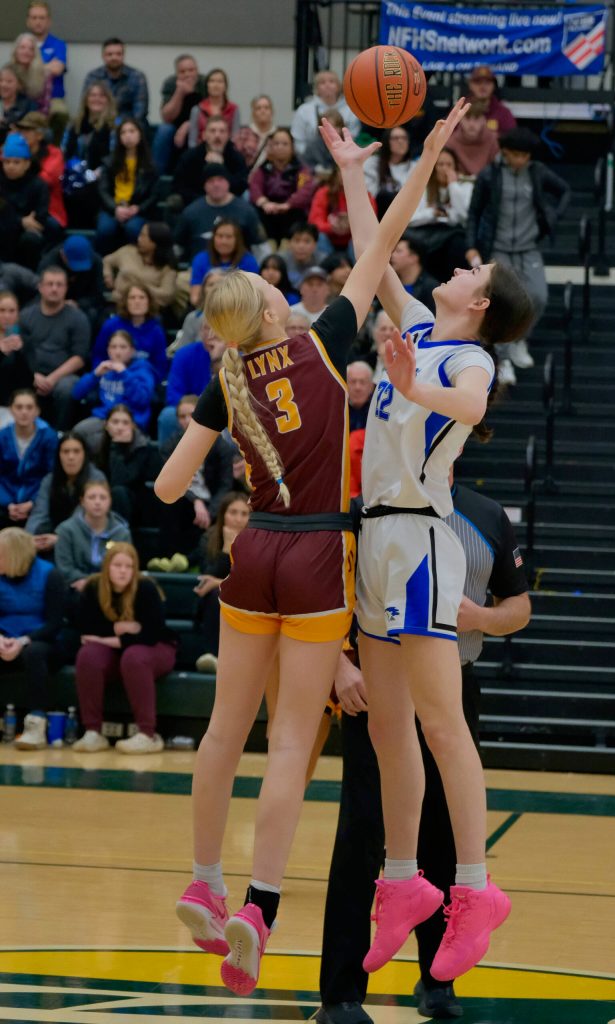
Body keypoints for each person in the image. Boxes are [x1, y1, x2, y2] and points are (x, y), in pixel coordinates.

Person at [154, 99, 469, 995]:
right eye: (269, 284)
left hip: (252, 548)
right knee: (291, 744)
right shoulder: (326, 342)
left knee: (224, 730)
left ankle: (204, 882)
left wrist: (213, 434)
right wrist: (405, 156)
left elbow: (171, 488)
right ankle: (258, 906)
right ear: (271, 308)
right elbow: (391, 233)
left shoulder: (227, 374)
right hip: (318, 554)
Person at [320, 116, 534, 983]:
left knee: (443, 726)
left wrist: (418, 385)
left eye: (472, 270)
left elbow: (476, 408)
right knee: (386, 728)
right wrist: (347, 172)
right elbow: (375, 253)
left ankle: (475, 889)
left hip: (420, 540)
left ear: (478, 303)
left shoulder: (472, 360)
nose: (458, 265)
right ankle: (404, 881)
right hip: (374, 539)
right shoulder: (422, 320)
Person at [317, 480, 530, 1024]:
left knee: (444, 834)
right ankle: (341, 993)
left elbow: (519, 605)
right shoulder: (366, 512)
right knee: (362, 833)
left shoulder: (485, 515)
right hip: (377, 689)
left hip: (454, 686)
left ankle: (439, 982)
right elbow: (329, 597)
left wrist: (480, 618)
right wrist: (339, 667)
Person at [465, 127, 571, 385]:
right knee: (502, 302)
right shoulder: (490, 175)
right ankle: (503, 358)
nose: (522, 160)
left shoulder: (536, 173)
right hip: (499, 247)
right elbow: (474, 213)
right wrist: (472, 245)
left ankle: (519, 339)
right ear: (504, 152)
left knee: (539, 295)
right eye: (517, 155)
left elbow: (565, 190)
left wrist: (552, 216)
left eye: (526, 156)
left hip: (528, 246)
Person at [72, 542, 176, 754]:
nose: (123, 571)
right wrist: (119, 630)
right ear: (107, 566)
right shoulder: (93, 588)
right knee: (88, 655)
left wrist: (106, 637)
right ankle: (93, 732)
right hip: (119, 652)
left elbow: (149, 635)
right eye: (117, 565)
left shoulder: (146, 588)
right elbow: (85, 629)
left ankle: (147, 734)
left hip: (159, 648)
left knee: (134, 656)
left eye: (129, 566)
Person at [0, 525, 68, 750]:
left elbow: (54, 623)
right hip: (5, 640)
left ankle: (36, 724)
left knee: (35, 652)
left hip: (43, 643)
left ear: (14, 555)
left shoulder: (51, 575)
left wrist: (21, 642)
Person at [156, 394, 240, 560]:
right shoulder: (169, 447)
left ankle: (202, 562)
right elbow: (168, 482)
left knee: (228, 508)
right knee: (168, 503)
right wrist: (195, 500)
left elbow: (225, 485)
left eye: (192, 415)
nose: (187, 420)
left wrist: (210, 510)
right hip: (185, 501)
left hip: (212, 503)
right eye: (182, 416)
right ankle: (169, 560)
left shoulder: (221, 447)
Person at [19, 265, 90, 429]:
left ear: (66, 288)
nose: (54, 289)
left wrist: (51, 379)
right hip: (31, 372)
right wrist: (33, 375)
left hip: (62, 376)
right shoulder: (25, 315)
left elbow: (79, 357)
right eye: (50, 284)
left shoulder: (78, 318)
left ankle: (60, 433)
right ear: (40, 287)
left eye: (59, 285)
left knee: (67, 388)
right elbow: (21, 351)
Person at [193, 491, 251, 672]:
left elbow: (253, 582)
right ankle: (211, 656)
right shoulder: (209, 538)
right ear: (223, 514)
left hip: (248, 601)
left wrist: (219, 582)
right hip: (214, 602)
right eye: (233, 512)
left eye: (244, 514)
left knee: (219, 590)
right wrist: (227, 546)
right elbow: (207, 576)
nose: (238, 519)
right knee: (214, 594)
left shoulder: (259, 542)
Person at [72, 328, 156, 448]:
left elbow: (142, 399)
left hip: (132, 421)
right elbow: (76, 394)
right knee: (79, 432)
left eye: (123, 347)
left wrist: (124, 373)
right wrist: (95, 375)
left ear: (132, 351)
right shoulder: (104, 368)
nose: (117, 352)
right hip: (104, 418)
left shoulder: (143, 370)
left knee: (109, 443)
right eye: (113, 347)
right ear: (108, 350)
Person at [25, 431, 107, 554]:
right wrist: (28, 539)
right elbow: (39, 514)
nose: (71, 457)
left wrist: (60, 539)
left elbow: (82, 518)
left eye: (76, 451)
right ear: (59, 455)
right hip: (52, 536)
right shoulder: (49, 480)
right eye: (66, 452)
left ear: (85, 455)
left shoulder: (96, 479)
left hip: (84, 540)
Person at [157, 316, 227, 444]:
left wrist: (218, 361)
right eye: (206, 328)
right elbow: (173, 395)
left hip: (225, 412)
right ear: (200, 332)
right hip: (191, 411)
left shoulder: (237, 355)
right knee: (168, 416)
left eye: (216, 328)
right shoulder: (184, 354)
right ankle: (167, 461)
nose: (210, 334)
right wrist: (193, 410)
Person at [175, 164, 265, 262]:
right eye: (211, 181)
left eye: (220, 179)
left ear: (228, 182)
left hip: (239, 271)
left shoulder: (247, 211)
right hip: (201, 271)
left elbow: (261, 248)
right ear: (204, 185)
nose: (216, 184)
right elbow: (177, 248)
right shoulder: (191, 213)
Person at [54, 478, 131, 594]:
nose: (97, 502)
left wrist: (93, 582)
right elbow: (65, 568)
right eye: (92, 497)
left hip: (112, 589)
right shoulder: (66, 530)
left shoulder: (122, 533)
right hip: (75, 589)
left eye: (103, 497)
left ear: (110, 501)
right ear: (82, 501)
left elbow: (124, 567)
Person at [95, 118, 158, 255]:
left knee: (133, 229)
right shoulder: (109, 161)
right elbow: (103, 191)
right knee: (105, 229)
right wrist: (115, 208)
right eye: (123, 132)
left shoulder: (150, 165)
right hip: (112, 207)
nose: (127, 135)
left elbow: (154, 195)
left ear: (140, 134)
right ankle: (103, 264)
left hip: (137, 209)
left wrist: (138, 208)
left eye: (132, 131)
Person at [408, 148, 472, 281]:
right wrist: (432, 213)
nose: (445, 169)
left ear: (456, 167)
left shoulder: (464, 186)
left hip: (450, 234)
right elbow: (411, 218)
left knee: (457, 245)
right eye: (441, 164)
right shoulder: (423, 186)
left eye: (449, 165)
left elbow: (464, 217)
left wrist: (453, 185)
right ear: (434, 166)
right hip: (426, 232)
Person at [60, 82, 116, 229]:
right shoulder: (73, 124)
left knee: (87, 193)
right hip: (73, 176)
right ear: (86, 99)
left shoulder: (114, 125)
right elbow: (64, 151)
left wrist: (99, 172)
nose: (97, 99)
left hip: (101, 176)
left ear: (108, 100)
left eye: (101, 96)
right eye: (93, 95)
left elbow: (115, 156)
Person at [0, 388, 57, 529]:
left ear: (37, 411)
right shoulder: (2, 436)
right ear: (11, 410)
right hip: (5, 502)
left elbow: (51, 476)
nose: (24, 412)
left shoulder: (49, 437)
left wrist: (32, 502)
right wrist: (7, 504)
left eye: (29, 407)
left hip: (38, 502)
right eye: (19, 407)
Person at [249, 128, 318, 245]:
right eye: (276, 144)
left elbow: (305, 191)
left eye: (285, 144)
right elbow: (255, 187)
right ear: (271, 147)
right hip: (268, 208)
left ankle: (288, 244)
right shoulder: (264, 168)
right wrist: (264, 203)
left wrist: (287, 205)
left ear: (292, 148)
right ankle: (267, 244)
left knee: (298, 213)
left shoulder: (300, 169)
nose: (280, 147)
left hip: (291, 209)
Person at [91, 282, 168, 385]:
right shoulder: (111, 325)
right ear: (125, 302)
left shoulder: (156, 331)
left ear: (149, 302)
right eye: (132, 298)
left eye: (142, 297)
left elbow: (160, 366)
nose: (137, 302)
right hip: (111, 381)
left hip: (142, 383)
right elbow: (98, 356)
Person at [97, 404, 160, 524]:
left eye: (125, 423)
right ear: (106, 425)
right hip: (104, 496)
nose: (120, 427)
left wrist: (116, 448)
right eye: (115, 422)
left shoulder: (142, 448)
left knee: (119, 492)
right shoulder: (100, 447)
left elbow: (120, 480)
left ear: (133, 426)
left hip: (136, 504)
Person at [172, 115, 248, 208]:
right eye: (213, 131)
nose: (217, 135)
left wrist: (221, 168)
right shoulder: (190, 157)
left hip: (228, 205)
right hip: (196, 203)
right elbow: (179, 186)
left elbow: (240, 186)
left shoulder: (237, 158)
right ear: (204, 135)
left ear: (228, 135)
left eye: (222, 131)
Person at [0, 131, 51, 268]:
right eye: (7, 162)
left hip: (26, 235)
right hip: (4, 231)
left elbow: (40, 220)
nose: (10, 166)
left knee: (31, 239)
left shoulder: (39, 185)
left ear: (27, 164)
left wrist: (12, 220)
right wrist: (21, 221)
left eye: (16, 162)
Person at [103, 222, 177, 314]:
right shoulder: (128, 251)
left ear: (154, 243)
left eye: (143, 236)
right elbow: (107, 260)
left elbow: (167, 295)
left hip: (148, 312)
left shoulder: (167, 269)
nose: (139, 238)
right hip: (117, 305)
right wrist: (107, 274)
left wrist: (138, 284)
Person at [38, 234, 105, 328]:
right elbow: (41, 292)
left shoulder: (96, 261)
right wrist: (60, 303)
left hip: (84, 303)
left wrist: (78, 304)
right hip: (54, 301)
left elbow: (98, 293)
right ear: (63, 255)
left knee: (93, 314)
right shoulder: (48, 264)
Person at [15, 110, 66, 234]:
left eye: (27, 130)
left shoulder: (54, 153)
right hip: (17, 206)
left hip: (48, 210)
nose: (22, 135)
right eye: (20, 130)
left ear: (40, 135)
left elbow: (46, 180)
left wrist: (18, 175)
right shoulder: (13, 152)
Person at [153, 54, 205, 174]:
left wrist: (188, 125)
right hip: (174, 126)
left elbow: (209, 114)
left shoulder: (205, 82)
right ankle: (156, 177)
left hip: (201, 126)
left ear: (197, 70)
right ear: (177, 73)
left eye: (191, 70)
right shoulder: (170, 83)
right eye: (182, 71)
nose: (187, 75)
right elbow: (167, 117)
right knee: (164, 130)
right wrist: (179, 92)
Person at [291, 70, 360, 160]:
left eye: (332, 81)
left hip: (345, 158)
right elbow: (299, 140)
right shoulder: (304, 110)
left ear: (339, 86)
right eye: (322, 82)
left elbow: (354, 137)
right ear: (316, 88)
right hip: (312, 159)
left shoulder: (350, 110)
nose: (327, 85)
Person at [310, 166, 377, 257]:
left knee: (363, 238)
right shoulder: (323, 193)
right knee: (319, 236)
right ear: (336, 173)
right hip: (329, 237)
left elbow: (370, 224)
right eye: (343, 170)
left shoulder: (365, 195)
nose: (347, 175)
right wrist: (332, 227)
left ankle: (360, 269)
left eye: (351, 171)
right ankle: (325, 266)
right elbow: (314, 222)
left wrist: (351, 225)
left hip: (353, 239)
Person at [190, 219, 259, 307]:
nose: (223, 241)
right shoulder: (200, 259)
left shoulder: (249, 261)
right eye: (220, 236)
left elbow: (253, 296)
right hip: (206, 308)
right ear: (213, 238)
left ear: (237, 239)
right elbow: (195, 298)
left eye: (229, 237)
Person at [81, 38, 148, 124]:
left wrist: (124, 126)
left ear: (123, 55)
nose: (114, 57)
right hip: (99, 122)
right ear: (103, 56)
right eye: (109, 54)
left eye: (118, 54)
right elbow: (85, 104)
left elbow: (140, 110)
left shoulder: (137, 76)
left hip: (129, 124)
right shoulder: (93, 76)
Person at [363, 126, 416, 219]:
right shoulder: (372, 163)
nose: (400, 141)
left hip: (409, 216)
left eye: (404, 138)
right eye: (395, 138)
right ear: (386, 141)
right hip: (379, 216)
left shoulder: (415, 166)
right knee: (385, 195)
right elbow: (370, 196)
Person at [0, 291, 33, 424]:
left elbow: (29, 379)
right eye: (1, 310)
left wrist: (19, 353)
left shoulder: (26, 341)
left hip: (17, 406)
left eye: (12, 311)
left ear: (18, 313)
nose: (6, 316)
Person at [25, 3, 67, 108]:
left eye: (42, 18)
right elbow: (17, 70)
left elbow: (57, 69)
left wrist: (30, 68)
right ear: (28, 21)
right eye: (34, 18)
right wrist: (47, 66)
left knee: (60, 114)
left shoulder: (58, 44)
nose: (38, 22)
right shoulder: (22, 44)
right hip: (26, 97)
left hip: (53, 99)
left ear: (49, 22)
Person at [445, 100, 499, 177]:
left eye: (476, 118)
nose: (471, 124)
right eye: (467, 118)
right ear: (460, 120)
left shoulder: (494, 140)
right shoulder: (450, 143)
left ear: (484, 120)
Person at [189, 68, 240, 148]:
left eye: (220, 81)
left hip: (226, 152)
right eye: (212, 81)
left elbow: (235, 138)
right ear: (207, 85)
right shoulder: (197, 109)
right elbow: (192, 141)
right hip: (201, 152)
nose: (216, 85)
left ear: (225, 86)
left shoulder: (234, 109)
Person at [389, 236, 439, 313]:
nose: (392, 255)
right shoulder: (390, 283)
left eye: (398, 251)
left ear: (413, 258)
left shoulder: (431, 288)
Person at [465, 66, 516, 137]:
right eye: (478, 82)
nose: (483, 86)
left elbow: (512, 138)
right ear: (470, 85)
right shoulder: (460, 110)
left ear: (494, 86)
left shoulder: (504, 113)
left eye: (487, 82)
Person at [10, 33, 51, 116]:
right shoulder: (8, 71)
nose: (26, 52)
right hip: (10, 117)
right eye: (22, 47)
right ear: (16, 51)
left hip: (34, 118)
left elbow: (45, 107)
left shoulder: (44, 74)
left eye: (31, 49)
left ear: (35, 53)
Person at [281, 222, 324, 290]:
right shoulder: (281, 261)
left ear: (315, 245)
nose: (301, 246)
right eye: (297, 241)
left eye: (307, 241)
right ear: (289, 243)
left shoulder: (323, 261)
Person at [0, 64, 35, 145]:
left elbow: (34, 129)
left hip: (18, 146)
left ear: (19, 84)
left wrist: (18, 130)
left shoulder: (28, 105)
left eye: (9, 81)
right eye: (0, 80)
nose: (3, 85)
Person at [346, 361, 375, 431]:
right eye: (353, 381)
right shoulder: (339, 409)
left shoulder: (377, 411)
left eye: (362, 382)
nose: (357, 387)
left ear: (371, 386)